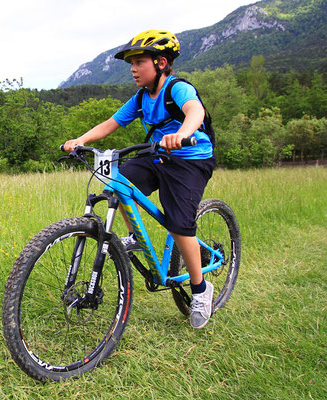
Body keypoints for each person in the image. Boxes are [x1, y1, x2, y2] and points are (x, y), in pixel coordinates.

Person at [62, 30, 216, 329]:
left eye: (139, 62)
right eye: (130, 63)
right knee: (116, 184)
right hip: (157, 155)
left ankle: (200, 290)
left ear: (160, 62)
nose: (133, 69)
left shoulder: (177, 88)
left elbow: (195, 110)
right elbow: (111, 123)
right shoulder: (142, 97)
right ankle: (135, 236)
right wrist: (80, 140)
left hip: (190, 159)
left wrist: (183, 134)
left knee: (180, 222)